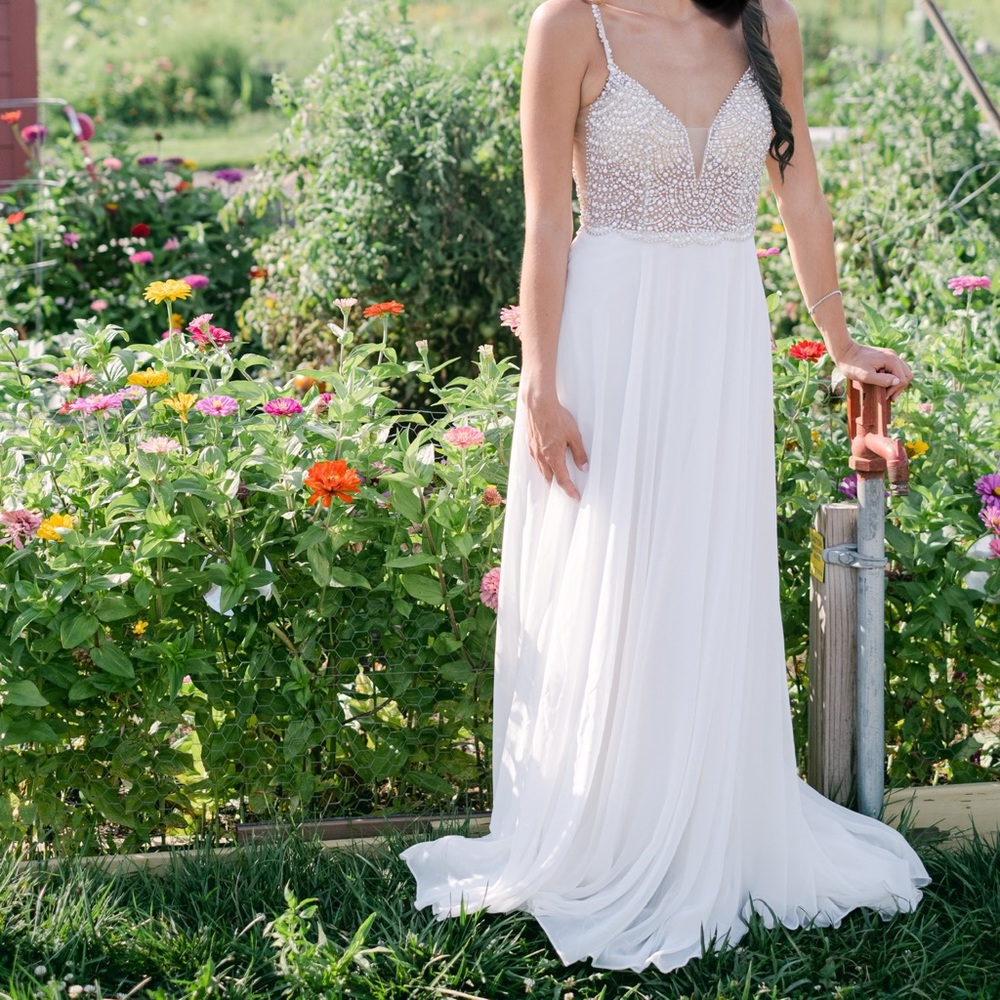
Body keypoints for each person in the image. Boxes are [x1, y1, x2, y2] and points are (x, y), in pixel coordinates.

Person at [402, 0, 929, 973]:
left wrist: (841, 342)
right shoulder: (569, 24)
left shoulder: (767, 20)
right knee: (616, 576)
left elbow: (798, 187)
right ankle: (608, 826)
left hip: (720, 330)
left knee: (703, 571)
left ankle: (711, 822)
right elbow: (547, 219)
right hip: (610, 343)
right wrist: (539, 386)